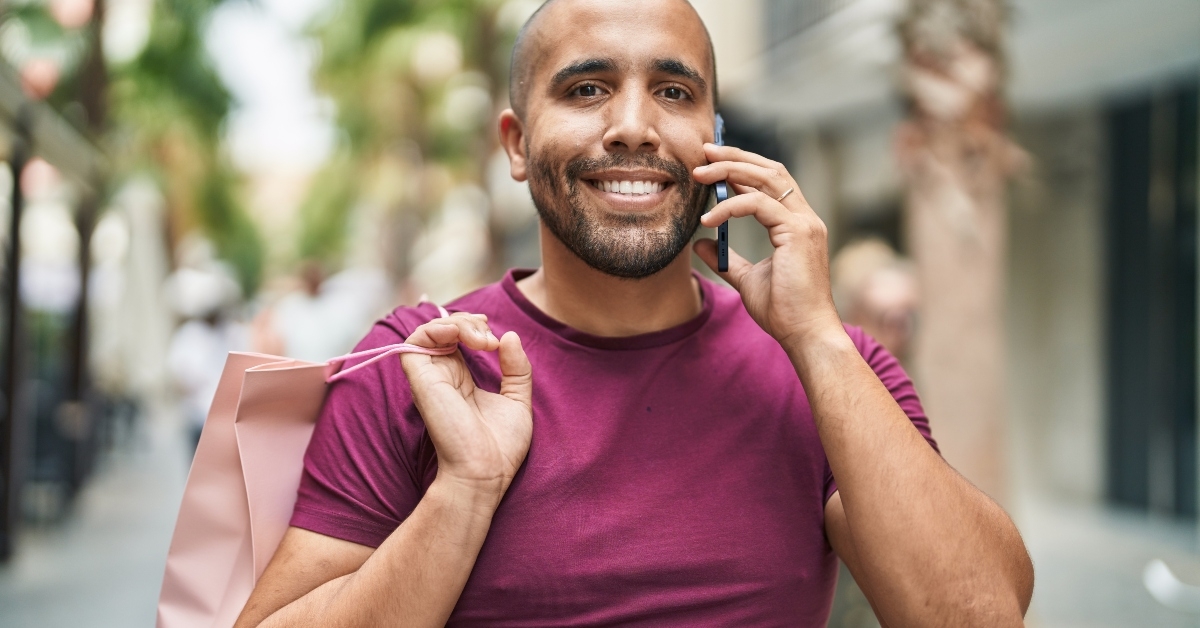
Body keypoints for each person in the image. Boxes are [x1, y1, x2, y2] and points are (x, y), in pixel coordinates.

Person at [236, 1, 1034, 625]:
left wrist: (817, 339)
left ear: (714, 138)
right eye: (587, 89)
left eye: (674, 92)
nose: (632, 126)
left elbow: (982, 616)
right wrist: (463, 492)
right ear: (515, 144)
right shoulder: (417, 365)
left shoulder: (829, 365)